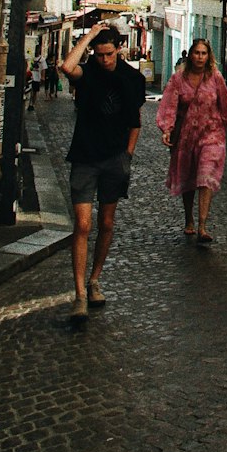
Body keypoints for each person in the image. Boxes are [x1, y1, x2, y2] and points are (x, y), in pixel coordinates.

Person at [61, 21, 146, 323]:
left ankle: (94, 279)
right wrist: (90, 35)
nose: (105, 60)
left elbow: (135, 120)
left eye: (109, 54)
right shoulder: (88, 74)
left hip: (114, 159)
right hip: (85, 156)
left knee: (106, 223)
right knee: (82, 225)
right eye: (99, 55)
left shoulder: (132, 78)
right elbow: (66, 66)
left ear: (119, 50)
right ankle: (79, 295)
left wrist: (128, 156)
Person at [156, 38, 227, 246]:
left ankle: (202, 225)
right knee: (189, 178)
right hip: (186, 137)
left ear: (208, 56)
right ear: (191, 55)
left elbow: (226, 104)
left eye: (204, 53)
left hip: (212, 134)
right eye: (197, 53)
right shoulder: (178, 79)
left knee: (205, 175)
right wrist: (167, 129)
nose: (200, 57)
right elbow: (169, 105)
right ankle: (189, 218)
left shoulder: (215, 78)